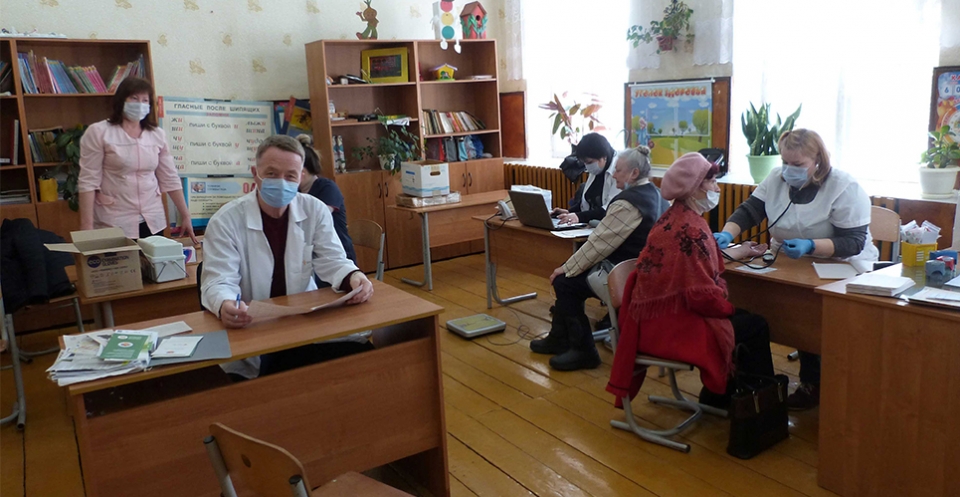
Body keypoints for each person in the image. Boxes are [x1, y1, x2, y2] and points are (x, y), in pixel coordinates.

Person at [713, 129, 877, 410]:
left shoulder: (844, 186)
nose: (789, 170)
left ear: (818, 161)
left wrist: (811, 245)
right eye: (785, 162)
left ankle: (813, 382)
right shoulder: (777, 178)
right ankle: (754, 379)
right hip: (789, 259)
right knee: (768, 303)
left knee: (812, 315)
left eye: (798, 164)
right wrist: (728, 233)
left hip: (840, 263)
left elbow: (853, 241)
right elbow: (751, 210)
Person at [607, 152, 775, 409]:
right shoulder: (692, 229)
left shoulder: (673, 218)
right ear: (695, 188)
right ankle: (756, 407)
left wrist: (739, 252)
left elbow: (694, 266)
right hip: (670, 326)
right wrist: (726, 305)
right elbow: (701, 296)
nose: (717, 189)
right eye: (712, 182)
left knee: (745, 320)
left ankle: (722, 395)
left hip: (652, 319)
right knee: (755, 325)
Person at [200, 135, 374, 380]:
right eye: (271, 174)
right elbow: (219, 280)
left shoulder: (315, 209)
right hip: (252, 327)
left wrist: (353, 276)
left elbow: (333, 259)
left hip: (302, 322)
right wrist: (224, 304)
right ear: (255, 174)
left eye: (290, 175)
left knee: (360, 358)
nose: (281, 182)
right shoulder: (225, 220)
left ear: (301, 177)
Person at [534, 146, 669, 371]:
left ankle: (583, 351)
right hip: (646, 274)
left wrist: (565, 268)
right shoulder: (658, 195)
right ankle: (558, 337)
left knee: (564, 281)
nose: (613, 175)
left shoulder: (627, 203)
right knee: (569, 275)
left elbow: (599, 244)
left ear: (634, 173)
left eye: (618, 170)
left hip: (626, 278)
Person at [78, 77, 198, 244]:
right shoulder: (99, 132)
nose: (140, 104)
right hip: (114, 219)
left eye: (145, 100)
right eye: (134, 98)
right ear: (121, 100)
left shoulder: (157, 134)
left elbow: (170, 177)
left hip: (152, 218)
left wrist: (185, 215)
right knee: (120, 261)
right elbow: (88, 181)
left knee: (152, 260)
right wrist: (86, 226)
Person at [296, 134, 357, 266]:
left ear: (303, 172)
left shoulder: (327, 188)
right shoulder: (298, 191)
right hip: (311, 255)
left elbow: (316, 220)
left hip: (336, 256)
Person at [552, 133, 623, 226]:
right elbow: (588, 201)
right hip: (592, 225)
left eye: (589, 162)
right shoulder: (598, 169)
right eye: (584, 162)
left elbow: (609, 209)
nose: (587, 166)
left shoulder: (619, 173)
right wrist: (569, 212)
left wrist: (579, 216)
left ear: (604, 157)